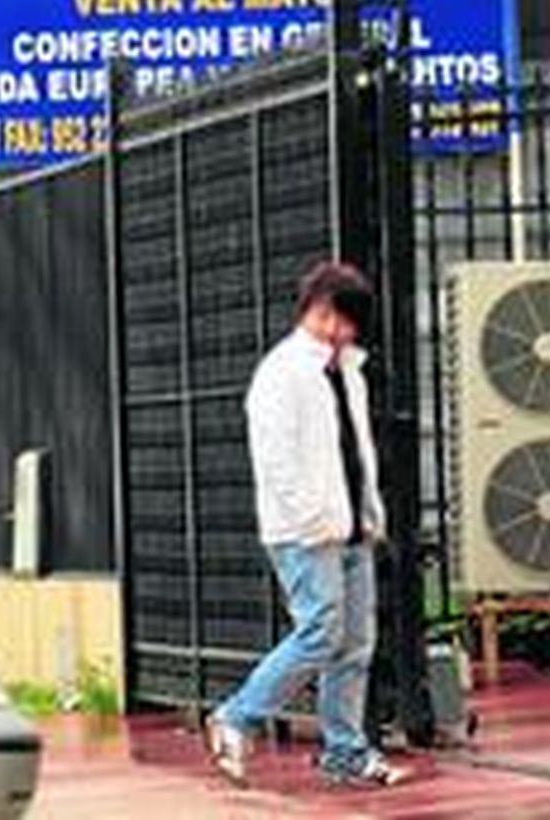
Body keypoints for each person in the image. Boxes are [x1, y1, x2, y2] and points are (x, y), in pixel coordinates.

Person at [204, 261, 408, 789]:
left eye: (342, 320)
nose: (336, 329)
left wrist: (368, 515)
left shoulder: (347, 372)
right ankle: (238, 716)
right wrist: (313, 518)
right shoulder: (283, 371)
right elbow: (277, 460)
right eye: (329, 317)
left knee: (354, 642)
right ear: (314, 312)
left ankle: (345, 749)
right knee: (321, 631)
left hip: (349, 525)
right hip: (305, 530)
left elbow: (355, 449)